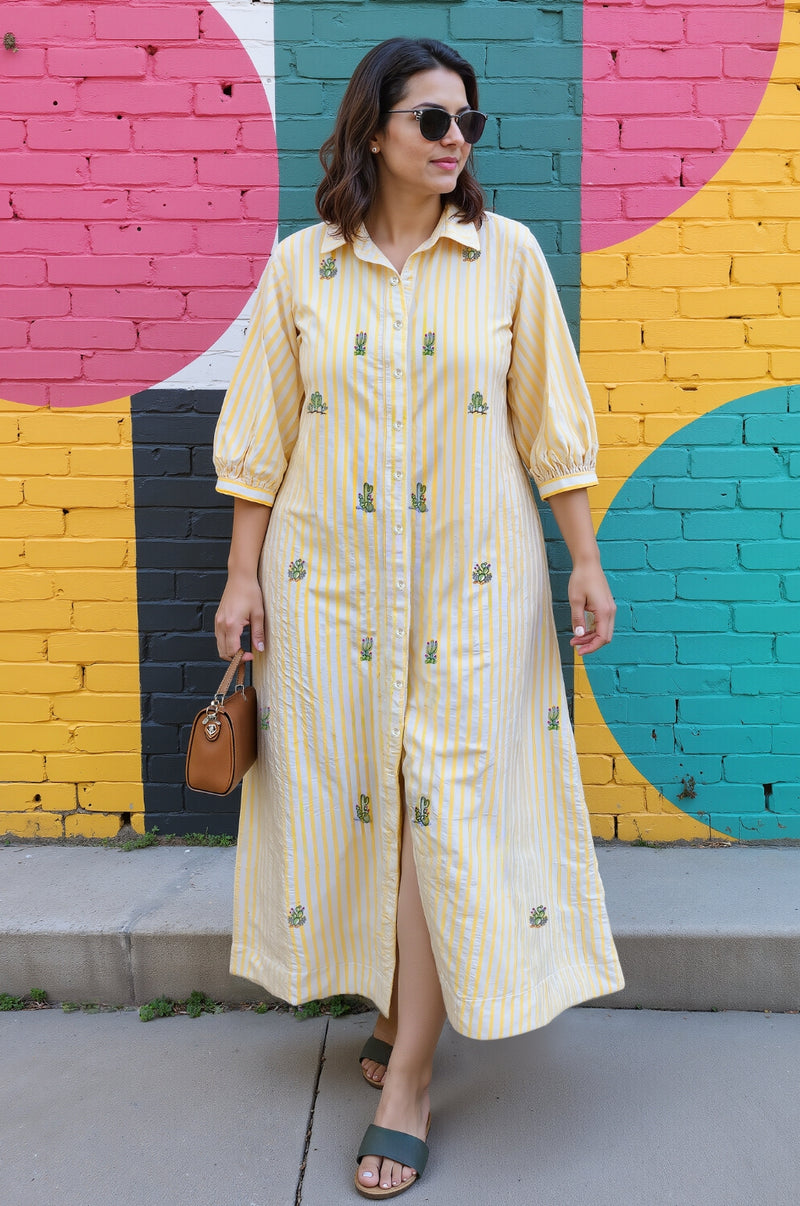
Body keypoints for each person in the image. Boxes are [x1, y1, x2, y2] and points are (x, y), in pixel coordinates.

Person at [213, 36, 624, 1200]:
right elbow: (258, 442)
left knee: (444, 805)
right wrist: (241, 580)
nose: (454, 142)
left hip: (475, 581)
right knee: (374, 801)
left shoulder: (506, 259)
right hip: (326, 581)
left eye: (467, 125)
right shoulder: (304, 270)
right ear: (375, 130)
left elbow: (554, 425)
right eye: (431, 121)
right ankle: (402, 1012)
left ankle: (409, 1079)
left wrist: (583, 560)